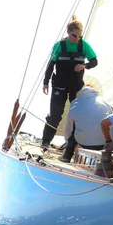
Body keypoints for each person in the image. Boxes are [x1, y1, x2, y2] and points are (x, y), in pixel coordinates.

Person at [41, 15, 98, 148]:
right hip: (59, 84)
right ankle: (45, 141)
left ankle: (71, 145)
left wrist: (84, 66)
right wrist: (45, 82)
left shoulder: (84, 45)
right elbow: (51, 65)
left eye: (79, 36)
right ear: (68, 32)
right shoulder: (59, 45)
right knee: (55, 114)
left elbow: (94, 61)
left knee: (77, 115)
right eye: (74, 35)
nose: (77, 38)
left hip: (76, 85)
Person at [59, 84, 113, 162]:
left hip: (85, 144)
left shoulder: (75, 102)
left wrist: (67, 142)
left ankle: (66, 156)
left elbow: (69, 127)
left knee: (74, 129)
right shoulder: (103, 102)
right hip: (106, 143)